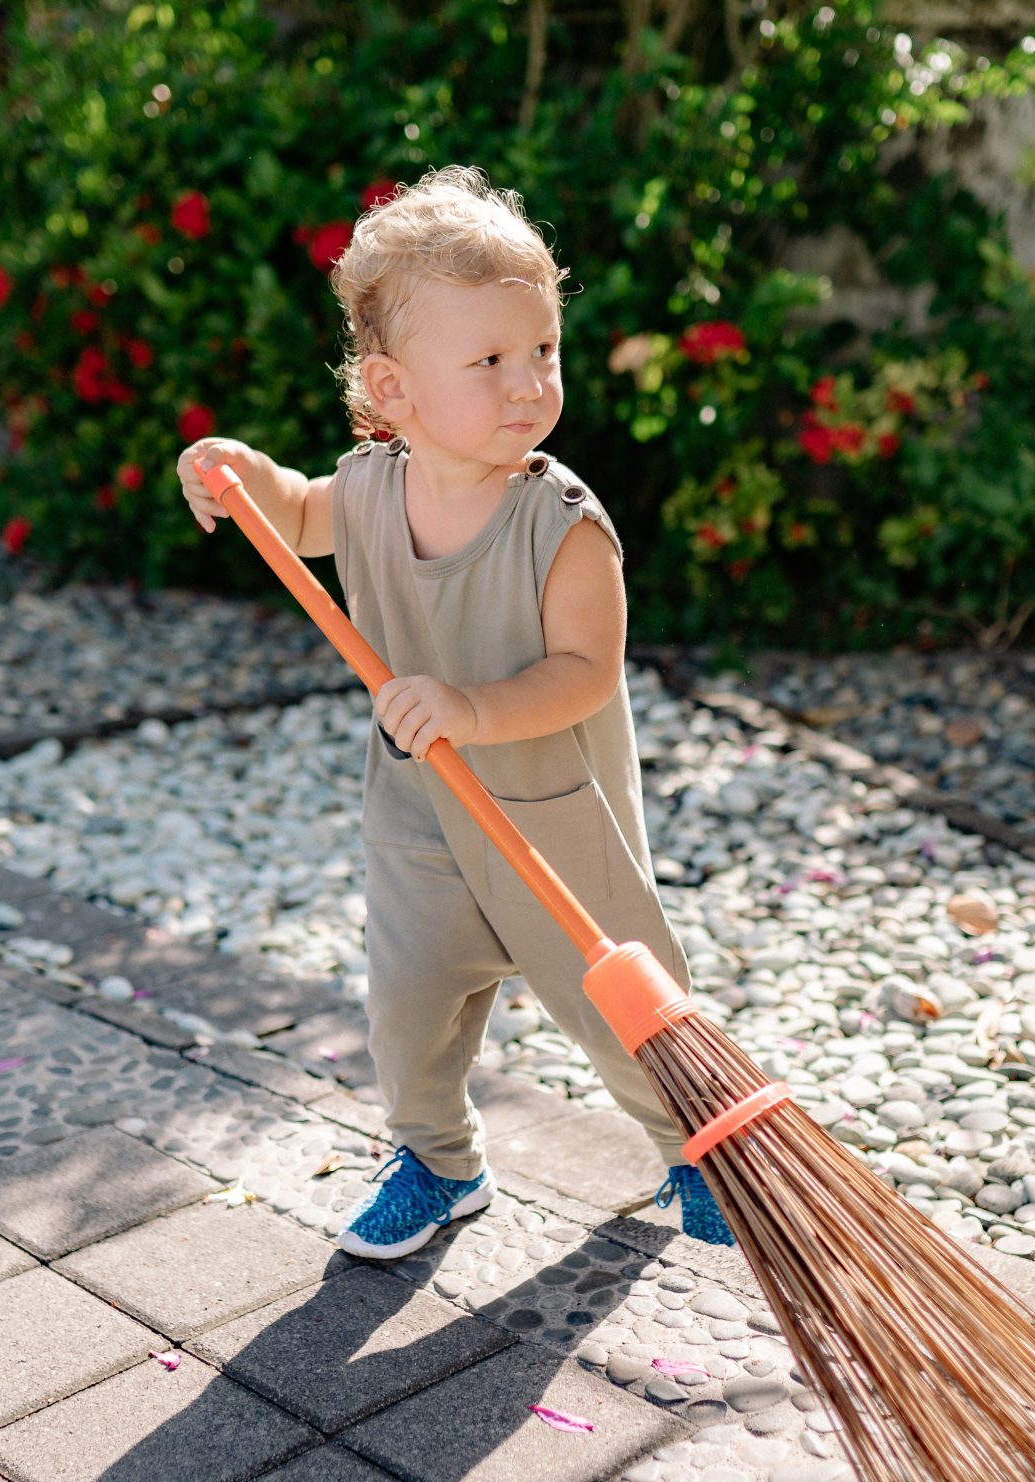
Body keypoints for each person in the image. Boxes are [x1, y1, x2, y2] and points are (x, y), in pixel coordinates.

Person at [174, 165, 730, 1258]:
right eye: (488, 362)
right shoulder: (373, 490)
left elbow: (583, 669)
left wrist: (470, 708)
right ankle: (436, 1159)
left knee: (622, 1003)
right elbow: (293, 513)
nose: (528, 385)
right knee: (410, 1007)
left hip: (552, 812)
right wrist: (240, 474)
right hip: (423, 812)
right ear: (392, 391)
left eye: (542, 352)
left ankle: (698, 1144)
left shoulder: (561, 522)